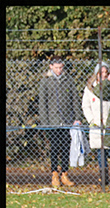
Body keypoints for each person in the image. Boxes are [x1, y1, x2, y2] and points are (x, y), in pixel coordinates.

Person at [38, 56, 82, 187]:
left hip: (67, 120)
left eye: (61, 67)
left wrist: (77, 117)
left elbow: (75, 99)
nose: (58, 70)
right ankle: (54, 174)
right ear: (51, 67)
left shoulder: (68, 80)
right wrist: (45, 123)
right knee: (54, 147)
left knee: (65, 148)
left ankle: (64, 173)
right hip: (52, 121)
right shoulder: (45, 81)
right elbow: (42, 103)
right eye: (56, 67)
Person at [82, 61, 110, 185]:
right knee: (101, 154)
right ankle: (103, 178)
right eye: (101, 72)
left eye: (106, 72)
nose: (104, 75)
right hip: (97, 125)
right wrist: (92, 120)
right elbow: (86, 105)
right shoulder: (90, 88)